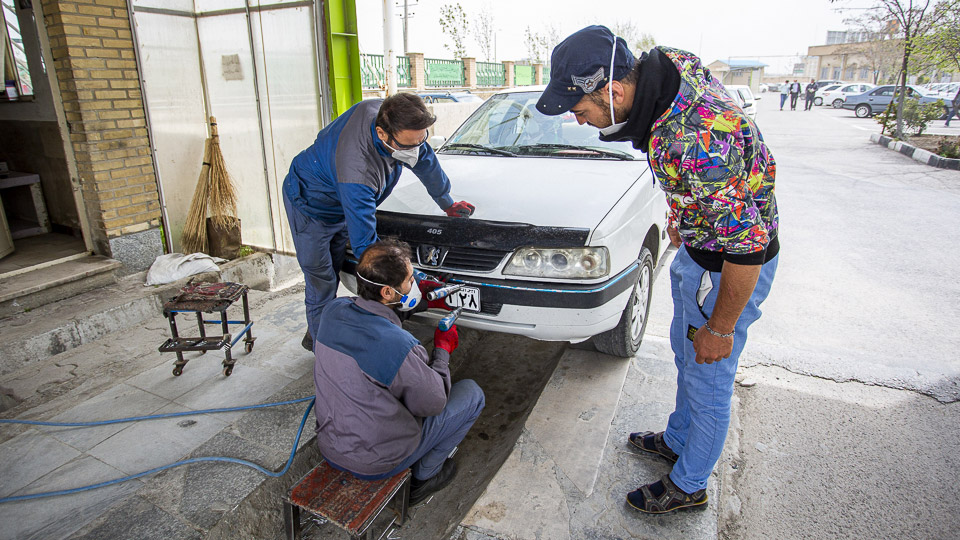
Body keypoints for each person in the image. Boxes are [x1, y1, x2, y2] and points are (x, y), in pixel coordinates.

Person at [537, 25, 778, 515]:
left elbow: (748, 247)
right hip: (701, 245)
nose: (581, 123)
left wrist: (721, 327)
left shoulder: (697, 142)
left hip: (727, 267)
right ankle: (678, 438)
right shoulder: (667, 66)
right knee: (686, 356)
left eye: (581, 111)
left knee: (709, 368)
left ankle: (690, 484)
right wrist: (684, 212)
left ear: (614, 90)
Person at [282, 94, 476, 352]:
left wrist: (447, 203)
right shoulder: (358, 170)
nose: (416, 149)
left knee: (338, 263)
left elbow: (426, 162)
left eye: (422, 139)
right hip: (311, 207)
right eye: (408, 146)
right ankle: (323, 351)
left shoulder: (393, 116)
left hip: (341, 201)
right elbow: (366, 247)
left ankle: (318, 325)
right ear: (382, 134)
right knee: (322, 279)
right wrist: (410, 278)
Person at [312, 239, 486, 505]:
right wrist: (442, 350)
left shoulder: (332, 311)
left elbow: (373, 320)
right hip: (378, 461)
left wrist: (419, 303)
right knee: (472, 394)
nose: (413, 282)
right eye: (409, 280)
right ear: (387, 293)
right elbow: (433, 403)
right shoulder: (399, 347)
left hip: (330, 446)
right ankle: (425, 478)